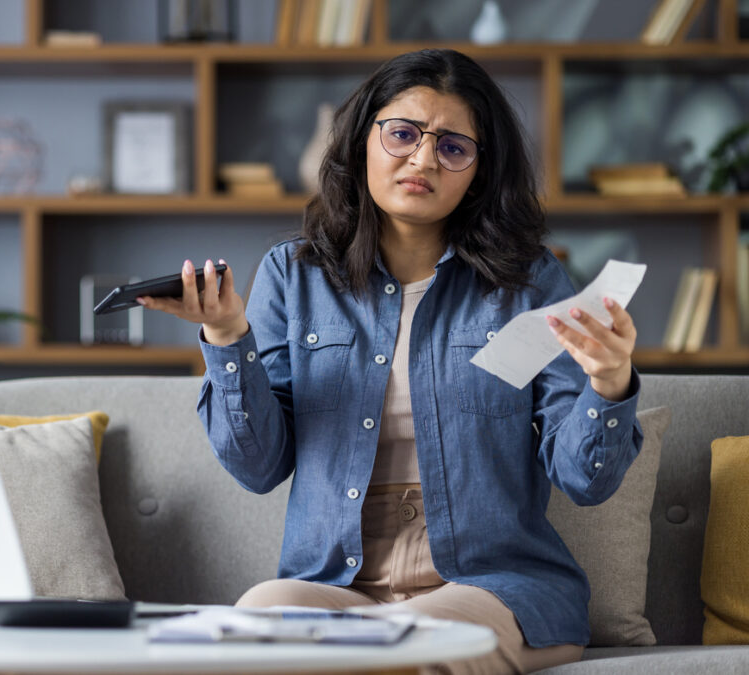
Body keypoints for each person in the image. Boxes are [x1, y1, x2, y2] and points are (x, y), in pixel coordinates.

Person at [137, 48, 642, 675]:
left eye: (453, 147)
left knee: (411, 649)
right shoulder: (293, 276)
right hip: (337, 582)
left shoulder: (528, 281)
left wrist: (608, 382)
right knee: (249, 625)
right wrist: (224, 335)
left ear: (479, 172)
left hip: (489, 586)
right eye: (403, 134)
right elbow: (258, 468)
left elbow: (586, 482)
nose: (424, 159)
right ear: (361, 143)